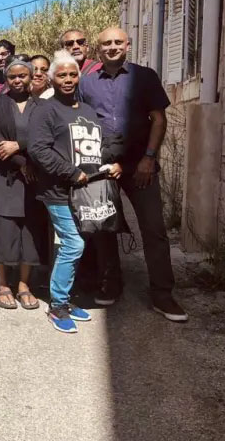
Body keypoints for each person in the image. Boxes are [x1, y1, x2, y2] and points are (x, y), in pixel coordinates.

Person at [78, 26, 187, 322]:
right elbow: (81, 125)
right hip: (102, 167)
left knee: (154, 229)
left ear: (128, 44)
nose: (112, 47)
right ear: (98, 49)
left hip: (140, 166)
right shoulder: (86, 84)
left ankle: (163, 294)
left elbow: (158, 119)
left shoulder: (145, 76)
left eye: (117, 42)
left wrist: (149, 158)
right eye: (106, 44)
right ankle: (111, 282)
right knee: (104, 229)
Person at [28, 50, 123, 333]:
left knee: (75, 243)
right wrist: (71, 172)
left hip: (87, 192)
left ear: (78, 77)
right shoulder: (45, 110)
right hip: (59, 191)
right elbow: (38, 149)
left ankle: (65, 300)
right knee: (73, 244)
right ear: (51, 78)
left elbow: (102, 143)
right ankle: (57, 305)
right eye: (61, 75)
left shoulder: (86, 110)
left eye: (72, 74)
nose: (68, 79)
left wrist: (111, 162)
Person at [0, 58, 46, 309]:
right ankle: (3, 284)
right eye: (12, 77)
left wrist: (19, 146)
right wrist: (22, 162)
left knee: (30, 232)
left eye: (22, 76)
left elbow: (46, 137)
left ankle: (23, 284)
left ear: (31, 78)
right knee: (3, 231)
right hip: (4, 177)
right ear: (6, 80)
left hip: (34, 180)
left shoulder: (42, 106)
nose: (18, 80)